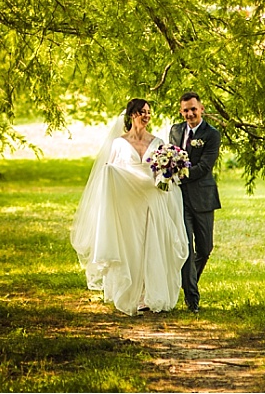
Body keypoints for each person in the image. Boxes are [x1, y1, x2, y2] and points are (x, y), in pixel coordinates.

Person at [70, 98, 189, 314]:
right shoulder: (119, 143)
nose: (146, 116)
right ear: (132, 114)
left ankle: (147, 294)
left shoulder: (159, 142)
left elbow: (165, 173)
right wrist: (110, 173)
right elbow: (111, 170)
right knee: (132, 246)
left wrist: (168, 172)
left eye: (149, 112)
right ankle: (129, 290)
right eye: (142, 112)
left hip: (152, 200)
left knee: (151, 244)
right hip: (129, 204)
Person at [169, 91, 220, 312]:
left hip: (204, 198)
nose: (190, 113)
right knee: (187, 248)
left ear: (201, 109)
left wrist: (182, 174)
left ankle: (187, 281)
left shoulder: (212, 134)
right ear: (181, 111)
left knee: (205, 248)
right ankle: (192, 298)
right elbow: (170, 156)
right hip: (180, 199)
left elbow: (205, 166)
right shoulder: (176, 130)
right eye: (186, 110)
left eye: (193, 109)